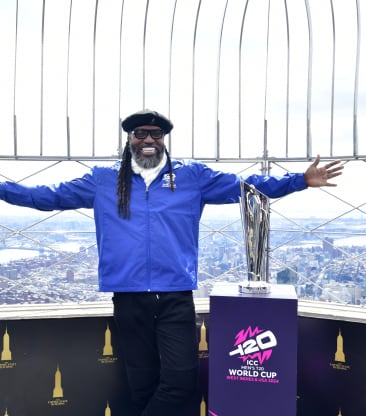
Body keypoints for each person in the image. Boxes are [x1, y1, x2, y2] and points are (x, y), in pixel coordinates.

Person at [0, 109, 343, 415]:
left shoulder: (191, 176)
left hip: (175, 298)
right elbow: (42, 196)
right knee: (141, 383)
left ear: (164, 140)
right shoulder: (103, 180)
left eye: (156, 134)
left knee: (180, 380)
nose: (148, 139)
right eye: (141, 133)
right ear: (129, 139)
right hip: (128, 298)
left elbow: (249, 187)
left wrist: (300, 181)